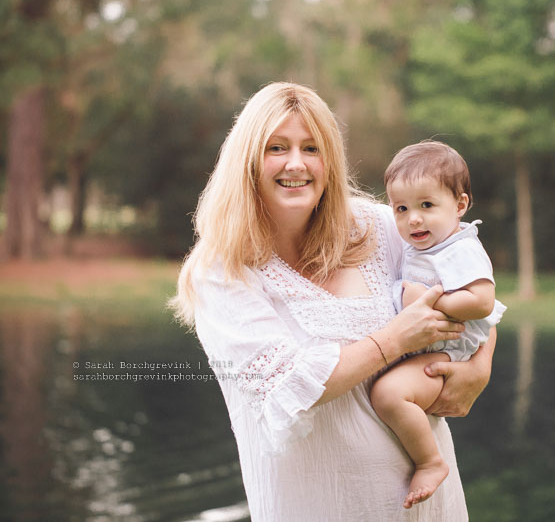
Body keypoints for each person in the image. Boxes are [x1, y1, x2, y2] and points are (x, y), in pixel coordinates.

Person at [169, 82, 495, 521]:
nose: (296, 164)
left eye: (312, 148)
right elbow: (288, 385)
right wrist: (393, 340)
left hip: (430, 508)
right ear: (246, 161)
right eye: (276, 147)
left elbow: (473, 292)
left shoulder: (380, 227)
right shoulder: (222, 271)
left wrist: (479, 368)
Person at [371, 141, 506, 509]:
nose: (413, 218)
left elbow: (482, 301)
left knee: (388, 394)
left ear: (460, 205)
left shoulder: (458, 249)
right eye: (401, 208)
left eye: (426, 205)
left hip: (449, 351)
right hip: (432, 344)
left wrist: (429, 301)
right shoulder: (426, 246)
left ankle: (430, 462)